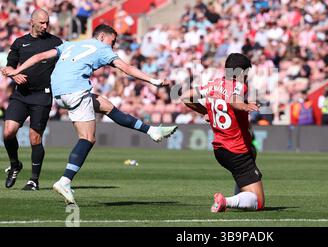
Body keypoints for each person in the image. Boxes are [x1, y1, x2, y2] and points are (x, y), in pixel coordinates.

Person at [2, 24, 177, 204]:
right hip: (75, 91)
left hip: (59, 92)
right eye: (112, 41)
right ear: (101, 37)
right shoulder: (102, 48)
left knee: (107, 106)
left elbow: (39, 56)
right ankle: (65, 181)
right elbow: (126, 68)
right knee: (87, 138)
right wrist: (153, 80)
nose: (113, 45)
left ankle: (151, 131)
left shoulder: (70, 44)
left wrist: (16, 71)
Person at [181, 53, 264, 212]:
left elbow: (185, 97)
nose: (247, 77)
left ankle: (236, 197)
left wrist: (205, 111)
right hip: (236, 150)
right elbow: (233, 100)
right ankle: (225, 201)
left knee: (251, 151)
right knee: (258, 202)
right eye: (246, 73)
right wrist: (244, 106)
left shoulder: (213, 84)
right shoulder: (239, 85)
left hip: (220, 150)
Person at [2, 9, 62, 191]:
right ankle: (15, 164)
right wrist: (14, 76)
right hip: (21, 95)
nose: (45, 26)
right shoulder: (20, 42)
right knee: (8, 132)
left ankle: (34, 180)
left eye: (47, 23)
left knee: (35, 138)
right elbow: (9, 67)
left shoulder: (55, 42)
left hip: (42, 95)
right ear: (32, 22)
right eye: (42, 23)